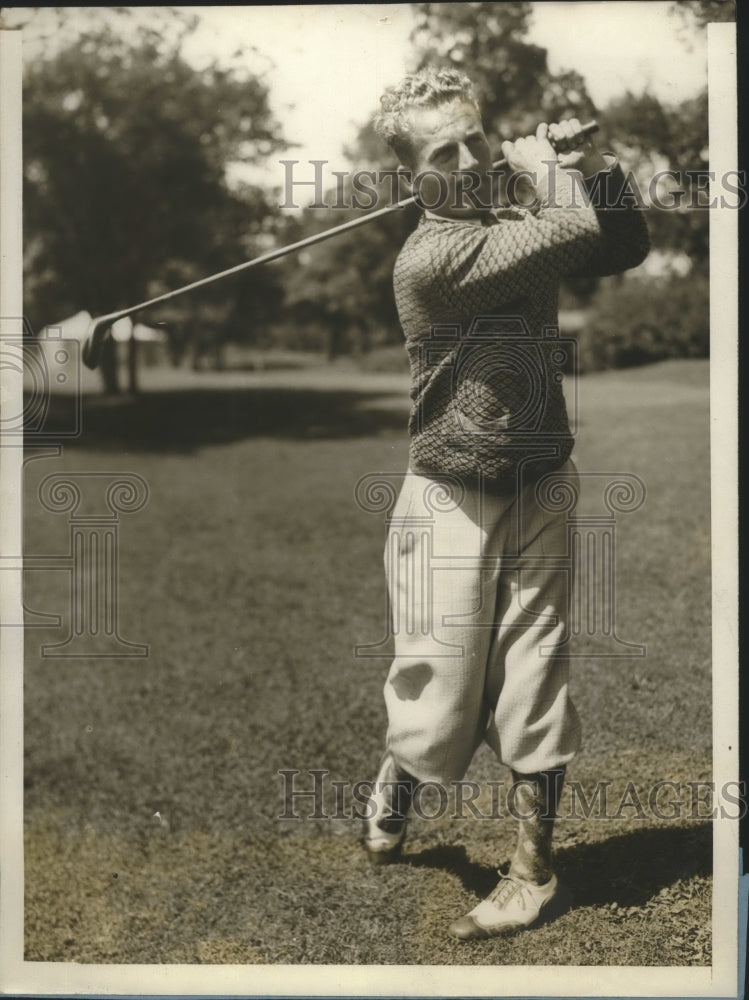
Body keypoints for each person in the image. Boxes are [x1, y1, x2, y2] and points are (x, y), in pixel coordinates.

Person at [363, 67, 649, 941]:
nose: (470, 156)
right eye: (443, 150)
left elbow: (621, 241)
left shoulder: (520, 215)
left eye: (477, 137)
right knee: (439, 704)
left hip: (539, 478)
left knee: (534, 677)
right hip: (448, 494)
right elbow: (572, 229)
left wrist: (590, 164)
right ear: (416, 177)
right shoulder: (432, 258)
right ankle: (402, 776)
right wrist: (548, 173)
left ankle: (531, 871)